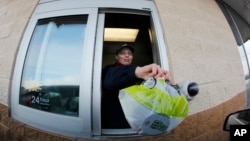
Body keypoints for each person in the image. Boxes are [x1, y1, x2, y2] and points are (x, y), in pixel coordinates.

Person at [101, 43, 172, 128]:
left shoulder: (138, 74)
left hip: (133, 122)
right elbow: (111, 79)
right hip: (113, 122)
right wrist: (137, 72)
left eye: (130, 53)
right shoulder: (109, 70)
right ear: (117, 56)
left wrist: (162, 82)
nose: (127, 55)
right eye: (122, 53)